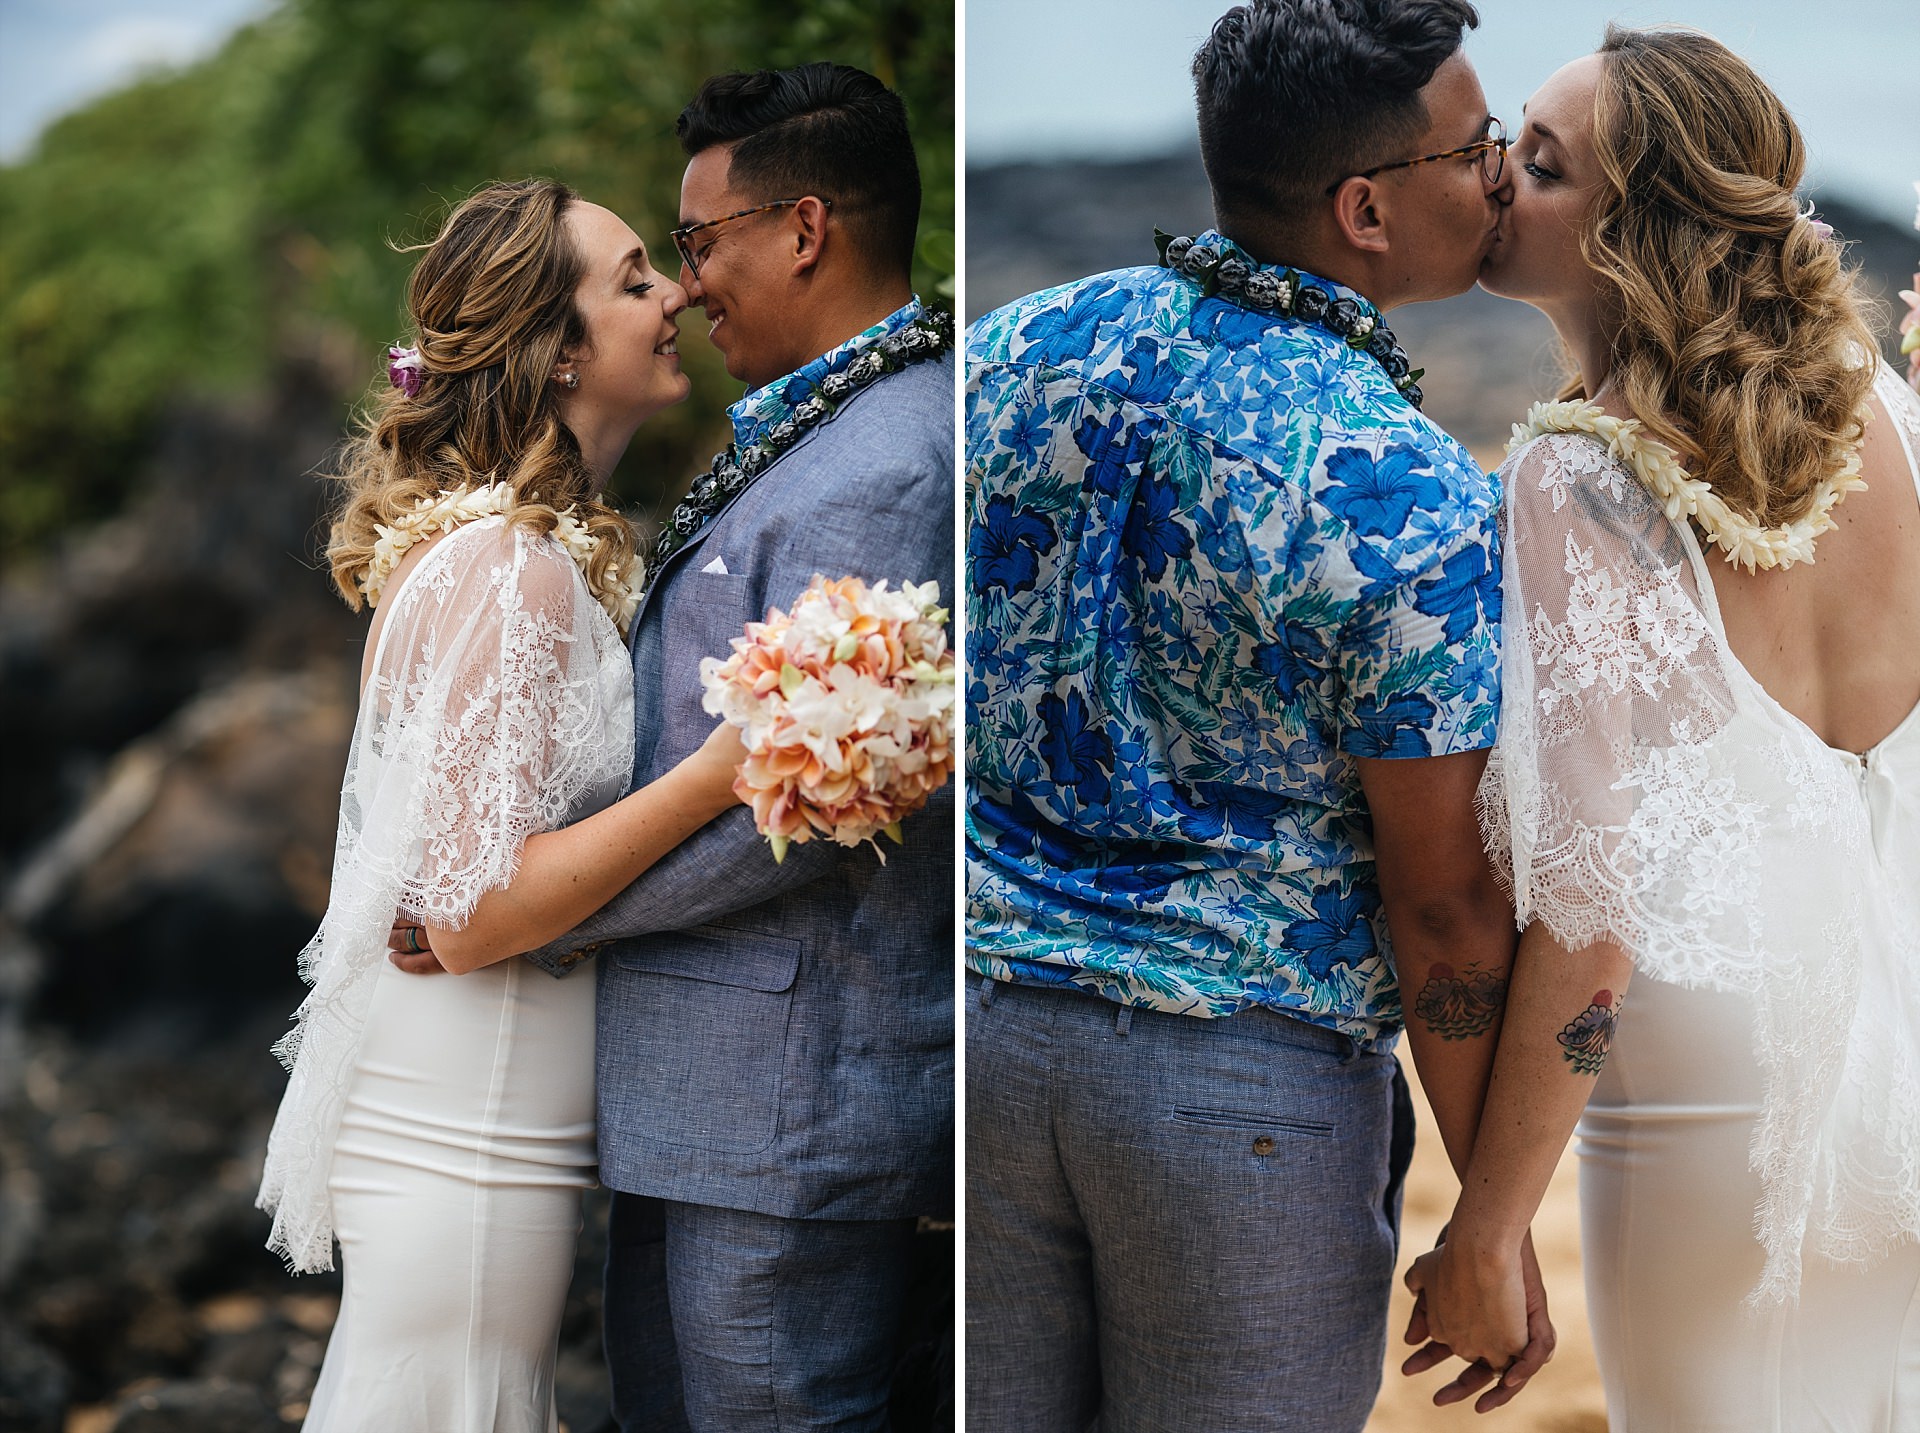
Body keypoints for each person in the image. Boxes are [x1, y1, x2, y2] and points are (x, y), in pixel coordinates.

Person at [962, 3, 1555, 1427]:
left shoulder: (1011, 349)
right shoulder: (1403, 493)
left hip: (976, 1037)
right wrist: (1493, 1221)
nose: (1497, 174)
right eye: (1476, 147)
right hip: (1238, 1099)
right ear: (1365, 207)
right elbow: (1445, 914)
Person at [397, 63, 955, 1432]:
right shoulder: (816, 434)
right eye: (659, 263)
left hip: (783, 1111)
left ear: (804, 230)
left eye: (696, 246)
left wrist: (535, 914)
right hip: (702, 1108)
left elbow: (818, 803)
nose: (689, 286)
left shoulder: (889, 462)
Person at [1404, 26, 1920, 1428]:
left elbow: (1588, 898)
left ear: (1638, 234)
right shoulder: (1889, 412)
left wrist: (1490, 1226)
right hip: (1897, 1045)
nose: (1500, 177)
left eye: (1547, 167)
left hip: (1710, 1097)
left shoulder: (1576, 478)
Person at [255, 178, 749, 1431]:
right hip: (464, 1126)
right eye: (635, 279)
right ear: (557, 347)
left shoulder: (501, 553)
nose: (676, 293)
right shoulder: (504, 570)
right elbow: (471, 915)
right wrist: (719, 773)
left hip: (483, 1105)